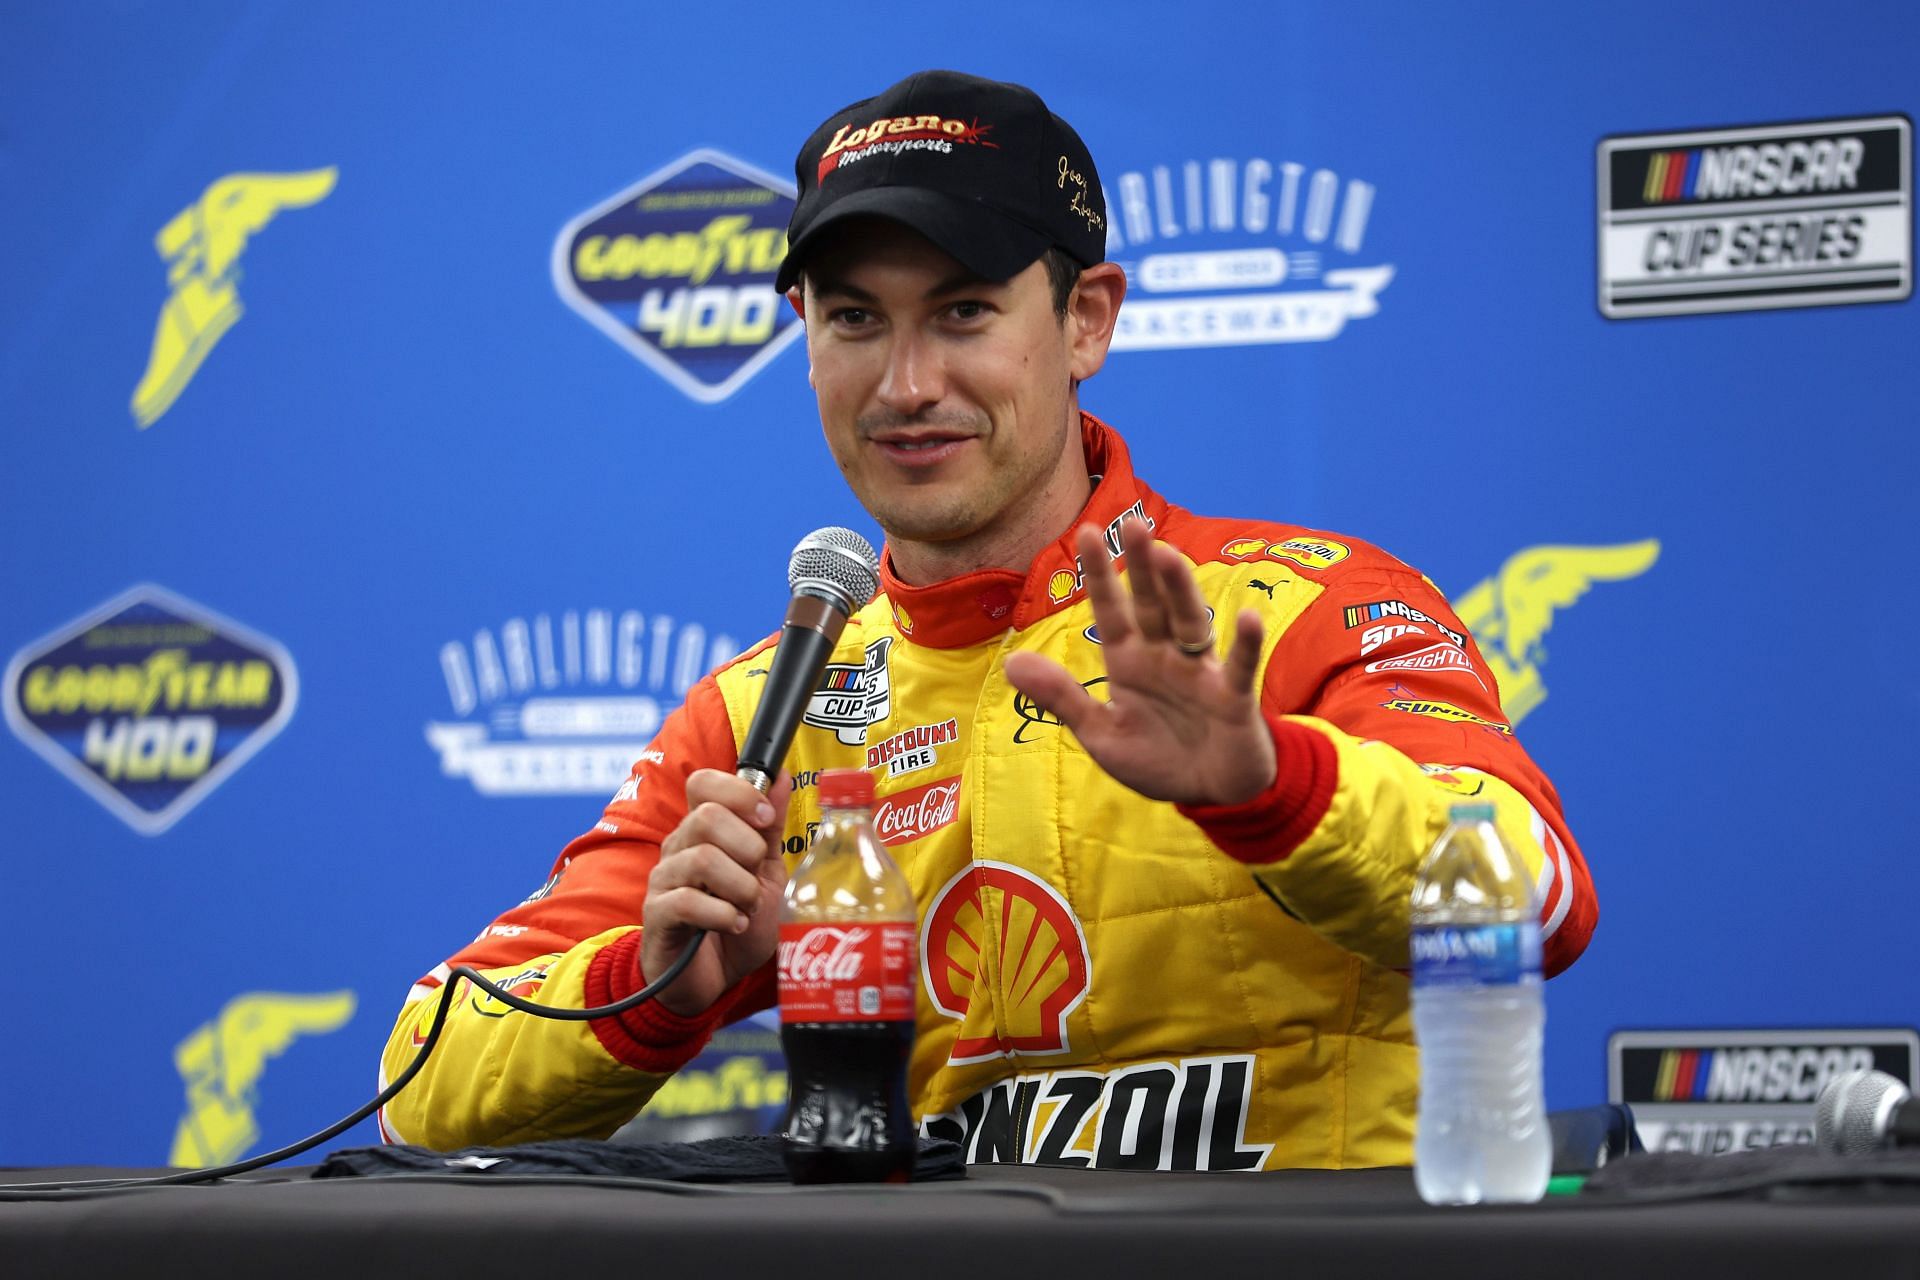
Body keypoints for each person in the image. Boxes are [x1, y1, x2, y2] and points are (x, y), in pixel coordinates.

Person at [378, 69, 1595, 1170]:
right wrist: (655, 988)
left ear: (1086, 323)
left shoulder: (1302, 603)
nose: (907, 385)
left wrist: (1272, 786)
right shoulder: (766, 708)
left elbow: (1538, 899)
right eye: (856, 319)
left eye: (962, 312)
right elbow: (415, 1086)